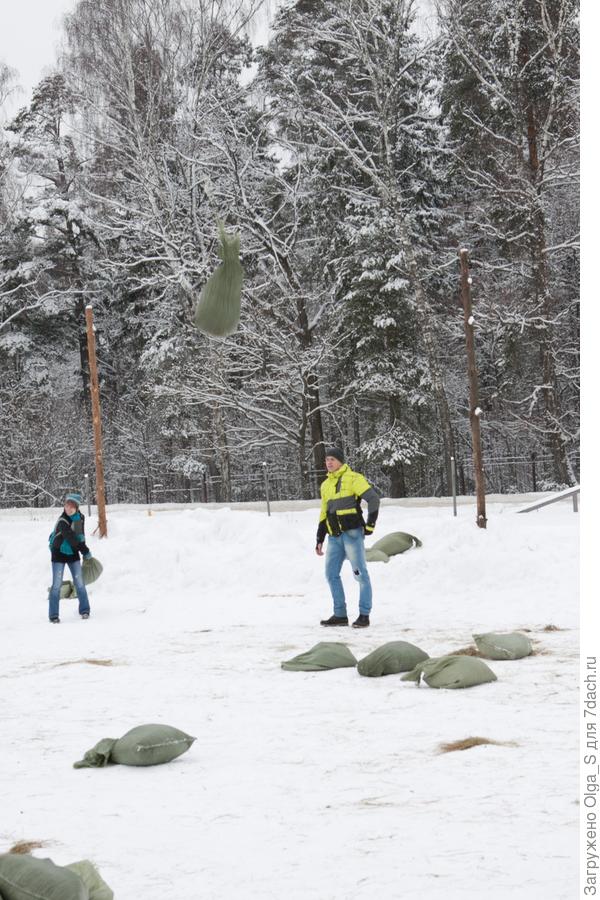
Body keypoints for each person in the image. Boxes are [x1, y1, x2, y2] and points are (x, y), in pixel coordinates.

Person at [316, 447, 380, 628]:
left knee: (360, 574)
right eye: (327, 460)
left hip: (352, 535)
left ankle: (364, 615)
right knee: (331, 574)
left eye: (332, 460)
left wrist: (370, 525)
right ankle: (340, 615)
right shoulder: (325, 485)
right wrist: (320, 538)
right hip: (334, 537)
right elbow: (324, 512)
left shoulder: (354, 478)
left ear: (341, 461)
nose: (329, 463)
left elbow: (374, 499)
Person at [48, 491, 92, 623]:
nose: (68, 508)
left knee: (79, 583)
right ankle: (53, 615)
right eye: (66, 505)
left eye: (71, 506)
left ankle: (85, 610)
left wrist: (84, 552)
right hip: (58, 553)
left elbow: (80, 536)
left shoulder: (80, 518)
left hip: (73, 554)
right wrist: (85, 551)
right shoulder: (63, 520)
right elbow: (72, 538)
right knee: (56, 585)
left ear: (77, 508)